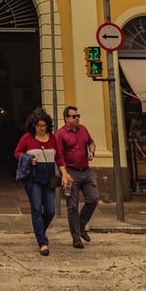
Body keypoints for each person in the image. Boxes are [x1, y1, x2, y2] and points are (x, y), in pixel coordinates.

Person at [13, 107, 68, 256]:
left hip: (49, 179)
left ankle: (40, 232)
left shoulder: (53, 138)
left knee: (50, 210)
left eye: (44, 126)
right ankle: (42, 243)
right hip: (34, 179)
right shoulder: (27, 138)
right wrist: (29, 159)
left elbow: (59, 158)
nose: (42, 128)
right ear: (33, 125)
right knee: (37, 209)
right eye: (39, 126)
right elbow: (17, 152)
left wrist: (64, 174)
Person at [54, 105, 99, 249]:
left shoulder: (83, 129)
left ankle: (80, 224)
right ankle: (76, 237)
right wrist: (64, 174)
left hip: (86, 171)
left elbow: (91, 142)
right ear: (66, 118)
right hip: (71, 173)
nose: (77, 118)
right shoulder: (61, 134)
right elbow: (58, 155)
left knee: (93, 199)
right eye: (74, 116)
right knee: (72, 206)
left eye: (78, 116)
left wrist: (91, 151)